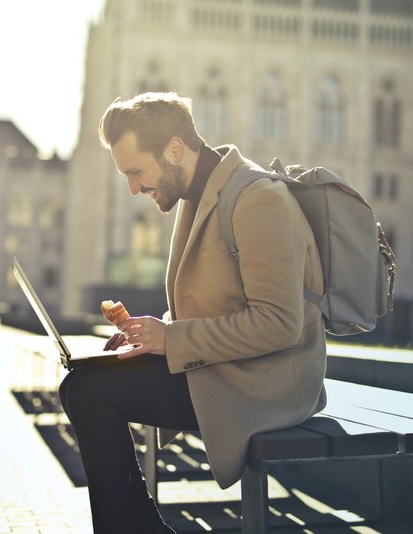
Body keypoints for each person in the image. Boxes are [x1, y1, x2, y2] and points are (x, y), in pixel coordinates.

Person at [58, 92, 327, 533]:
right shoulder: (199, 198)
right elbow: (216, 303)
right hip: (228, 369)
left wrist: (171, 340)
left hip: (269, 383)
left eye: (136, 171)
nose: (133, 187)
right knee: (82, 385)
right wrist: (150, 334)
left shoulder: (258, 199)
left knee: (89, 391)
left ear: (175, 150)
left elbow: (280, 323)